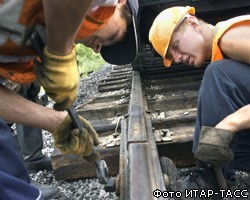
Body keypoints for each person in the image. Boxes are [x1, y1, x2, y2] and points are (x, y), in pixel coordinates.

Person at [0, 0, 138, 199]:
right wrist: (60, 53)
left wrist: (55, 121)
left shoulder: (36, 42)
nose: (98, 49)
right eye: (115, 36)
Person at [149, 6, 250, 189]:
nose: (177, 58)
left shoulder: (229, 37)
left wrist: (233, 122)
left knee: (218, 76)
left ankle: (208, 183)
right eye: (172, 56)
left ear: (193, 23)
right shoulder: (223, 51)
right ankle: (206, 176)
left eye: (176, 46)